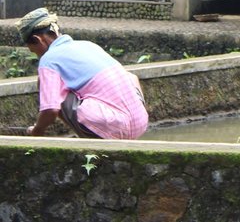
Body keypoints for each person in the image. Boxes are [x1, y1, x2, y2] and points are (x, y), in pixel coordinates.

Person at [16, 8, 148, 139]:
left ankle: (90, 140)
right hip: (140, 123)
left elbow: (51, 109)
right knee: (129, 77)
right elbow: (133, 78)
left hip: (114, 127)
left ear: (38, 39)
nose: (37, 55)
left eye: (34, 51)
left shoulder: (49, 60)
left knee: (51, 89)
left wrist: (37, 131)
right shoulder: (88, 45)